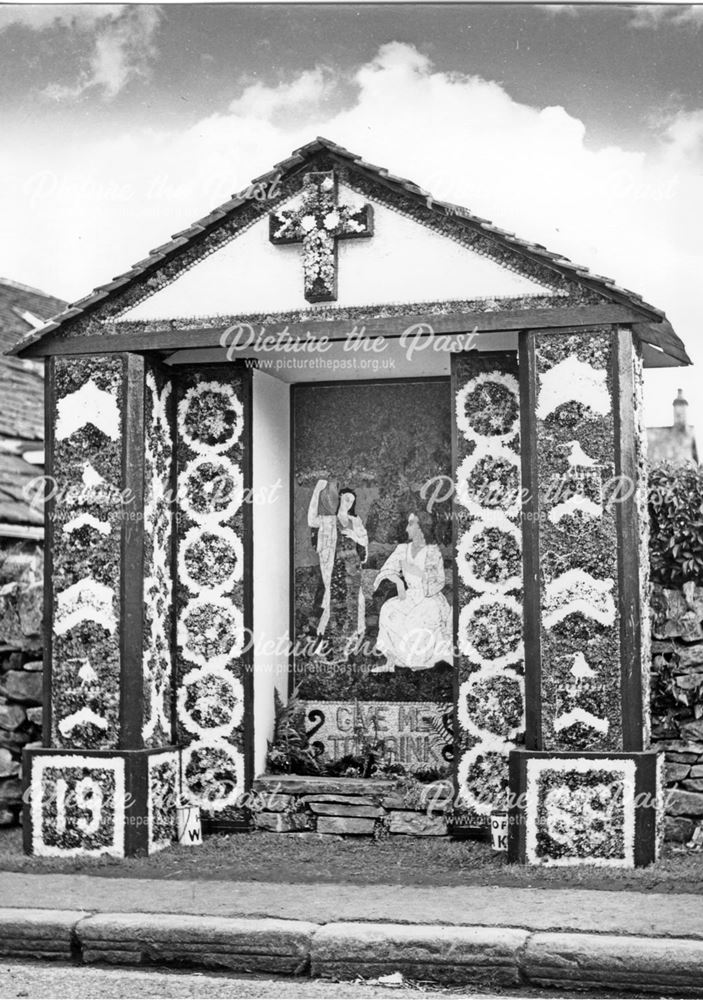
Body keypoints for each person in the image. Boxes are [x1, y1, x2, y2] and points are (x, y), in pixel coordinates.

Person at [371, 510, 451, 672]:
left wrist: (414, 571)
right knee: (389, 609)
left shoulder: (432, 551)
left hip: (430, 597)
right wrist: (399, 582)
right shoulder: (402, 549)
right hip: (410, 594)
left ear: (421, 527)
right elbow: (387, 569)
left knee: (416, 618)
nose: (407, 527)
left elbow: (438, 581)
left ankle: (418, 660)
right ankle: (390, 662)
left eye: (411, 523)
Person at [307, 479, 368, 655]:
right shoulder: (329, 520)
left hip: (352, 566)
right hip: (334, 564)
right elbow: (312, 519)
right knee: (331, 599)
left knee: (356, 600)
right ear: (340, 498)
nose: (348, 503)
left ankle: (355, 639)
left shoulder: (355, 521)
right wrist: (317, 491)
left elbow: (364, 541)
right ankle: (322, 638)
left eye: (351, 501)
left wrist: (354, 536)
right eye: (346, 499)